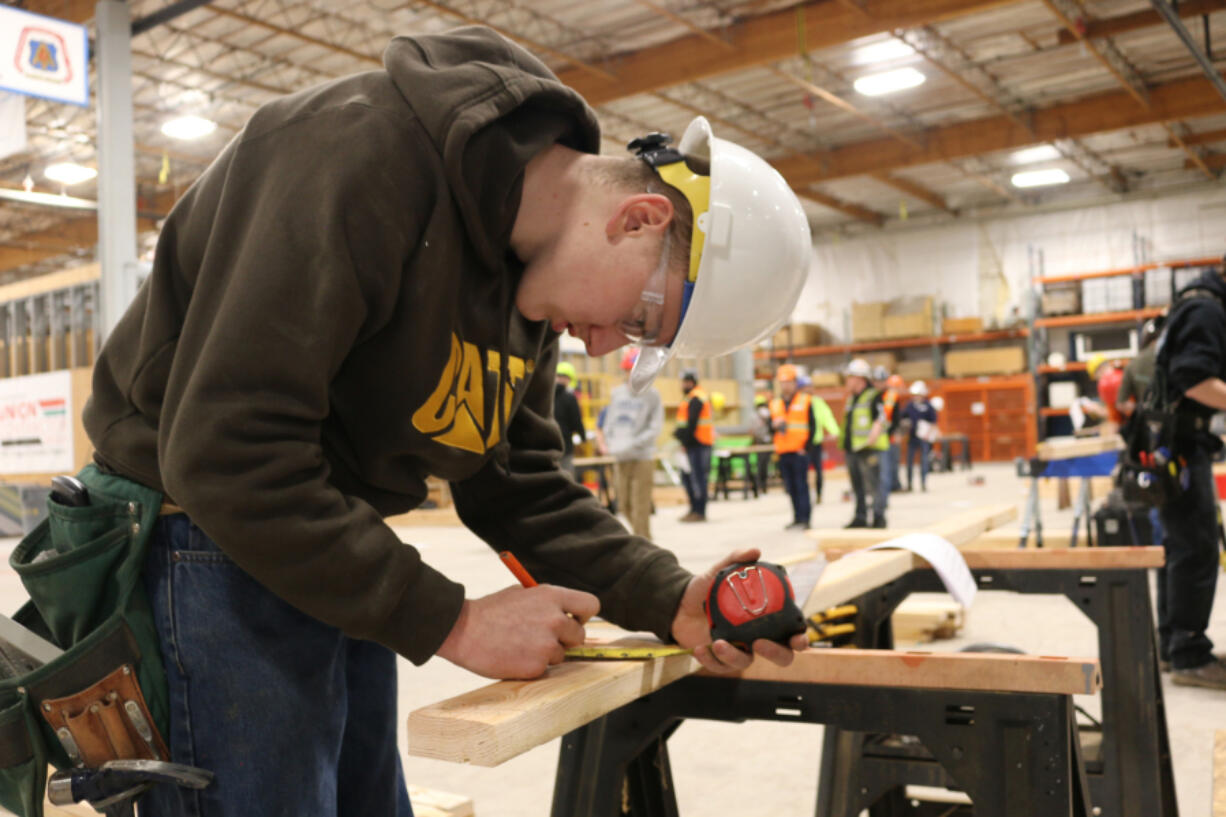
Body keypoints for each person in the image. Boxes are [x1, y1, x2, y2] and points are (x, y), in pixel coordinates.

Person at [76, 27, 813, 817]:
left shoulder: (531, 285)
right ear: (640, 217)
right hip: (201, 541)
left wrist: (671, 597)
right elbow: (227, 454)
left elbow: (519, 487)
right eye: (636, 319)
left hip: (326, 543)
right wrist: (453, 620)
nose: (602, 345)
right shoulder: (357, 155)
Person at [1152, 260, 1226, 689]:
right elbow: (1194, 378)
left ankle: (1172, 646)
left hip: (1173, 444)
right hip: (1180, 446)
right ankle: (1189, 654)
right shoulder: (1208, 310)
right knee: (1197, 548)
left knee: (1181, 547)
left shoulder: (1197, 301)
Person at [600, 349, 663, 538]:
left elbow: (655, 427)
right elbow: (609, 422)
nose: (632, 375)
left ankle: (645, 548)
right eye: (629, 370)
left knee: (640, 507)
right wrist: (610, 443)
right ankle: (642, 541)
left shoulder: (653, 395)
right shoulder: (617, 394)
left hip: (641, 458)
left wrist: (634, 444)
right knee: (624, 505)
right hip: (620, 458)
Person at [841, 358, 889, 528]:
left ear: (860, 378)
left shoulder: (873, 396)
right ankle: (860, 516)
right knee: (857, 486)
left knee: (874, 485)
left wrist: (872, 437)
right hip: (853, 448)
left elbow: (880, 419)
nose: (847, 381)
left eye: (850, 377)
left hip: (869, 449)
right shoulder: (852, 399)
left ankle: (878, 517)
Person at [771, 364, 815, 530]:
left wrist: (807, 447)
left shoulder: (805, 400)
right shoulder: (775, 403)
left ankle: (805, 518)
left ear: (795, 383)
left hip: (799, 451)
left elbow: (812, 426)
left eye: (788, 382)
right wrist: (773, 425)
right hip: (783, 451)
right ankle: (797, 517)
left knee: (801, 486)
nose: (785, 386)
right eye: (782, 382)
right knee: (790, 488)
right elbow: (770, 428)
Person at [675, 369, 714, 522]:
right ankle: (693, 509)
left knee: (698, 479)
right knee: (689, 478)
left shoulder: (697, 398)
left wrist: (684, 441)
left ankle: (699, 511)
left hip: (698, 445)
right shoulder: (691, 397)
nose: (682, 385)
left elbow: (692, 423)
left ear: (690, 382)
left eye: (684, 382)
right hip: (693, 445)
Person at [804, 375, 840, 505]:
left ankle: (818, 495)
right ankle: (805, 497)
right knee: (803, 473)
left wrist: (834, 431)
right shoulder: (799, 402)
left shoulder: (817, 402)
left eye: (809, 386)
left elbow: (827, 417)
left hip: (815, 442)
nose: (808, 389)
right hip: (801, 443)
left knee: (818, 470)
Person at [902, 380, 938, 492]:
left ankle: (923, 484)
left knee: (924, 461)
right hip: (912, 437)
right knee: (910, 462)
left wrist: (928, 434)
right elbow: (902, 417)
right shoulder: (910, 406)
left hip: (924, 438)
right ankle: (909, 484)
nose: (916, 397)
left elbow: (933, 422)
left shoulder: (928, 406)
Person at [554, 360, 586, 475]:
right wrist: (583, 437)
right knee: (566, 477)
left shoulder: (545, 395)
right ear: (569, 379)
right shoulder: (570, 398)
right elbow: (576, 421)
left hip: (546, 447)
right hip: (565, 446)